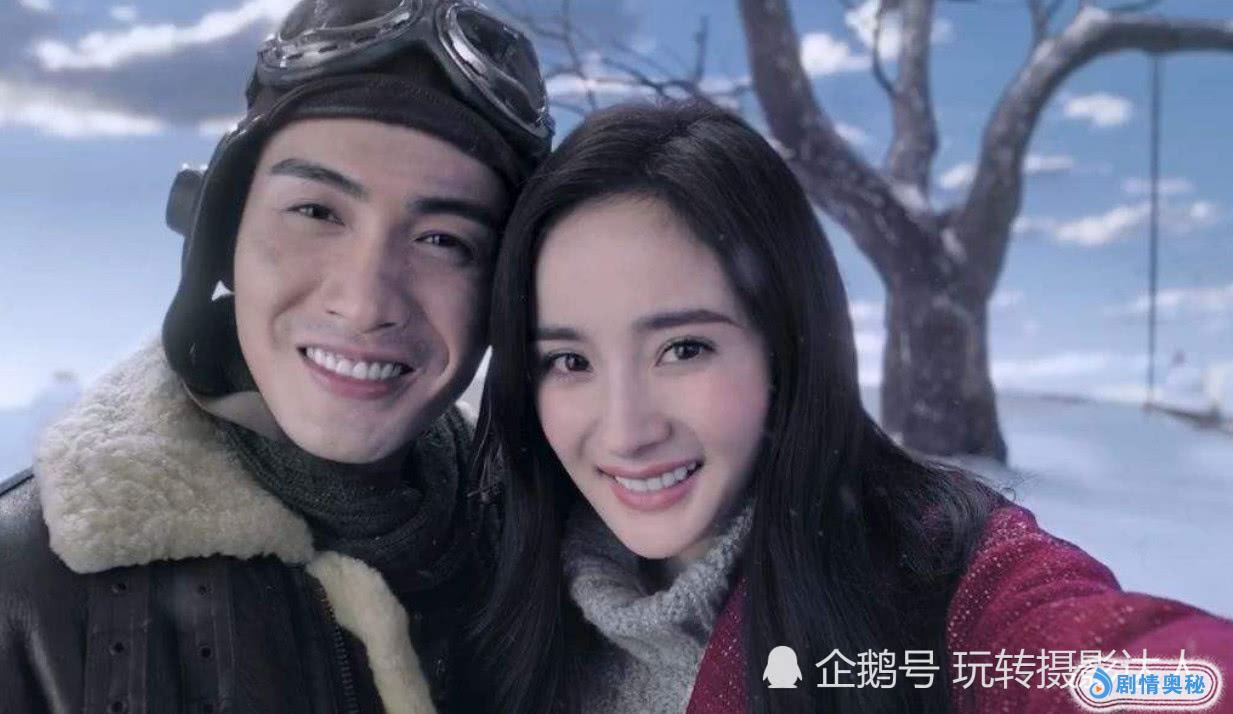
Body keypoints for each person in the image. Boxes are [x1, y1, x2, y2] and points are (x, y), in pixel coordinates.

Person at [469, 100, 1233, 714]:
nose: (626, 430)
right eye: (569, 361)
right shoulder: (492, 575)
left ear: (786, 343)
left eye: (683, 349)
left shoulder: (935, 583)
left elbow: (1127, 670)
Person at [0, 1, 552, 712]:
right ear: (220, 229)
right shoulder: (22, 581)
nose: (364, 303)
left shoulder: (560, 564)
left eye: (444, 241)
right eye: (317, 212)